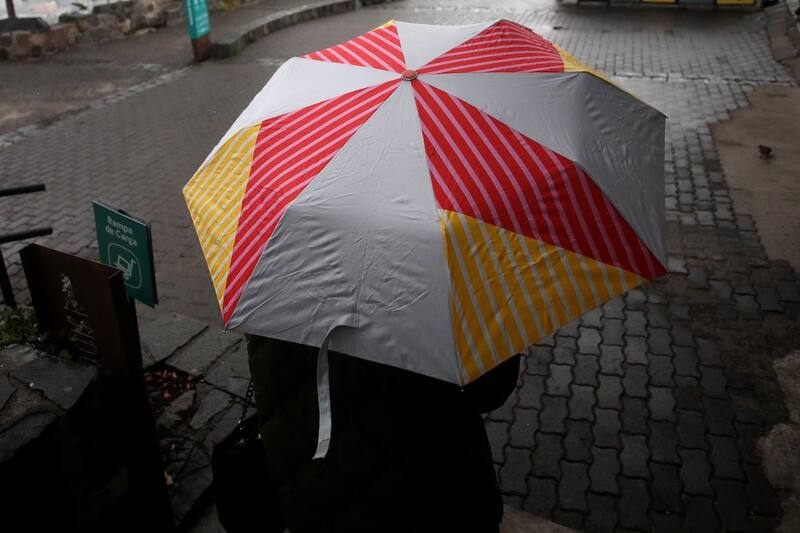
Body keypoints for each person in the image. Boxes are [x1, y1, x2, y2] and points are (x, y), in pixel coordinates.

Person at [246, 334, 521, 533]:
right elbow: (489, 389)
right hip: (429, 496)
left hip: (314, 488)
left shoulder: (266, 267)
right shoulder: (442, 275)